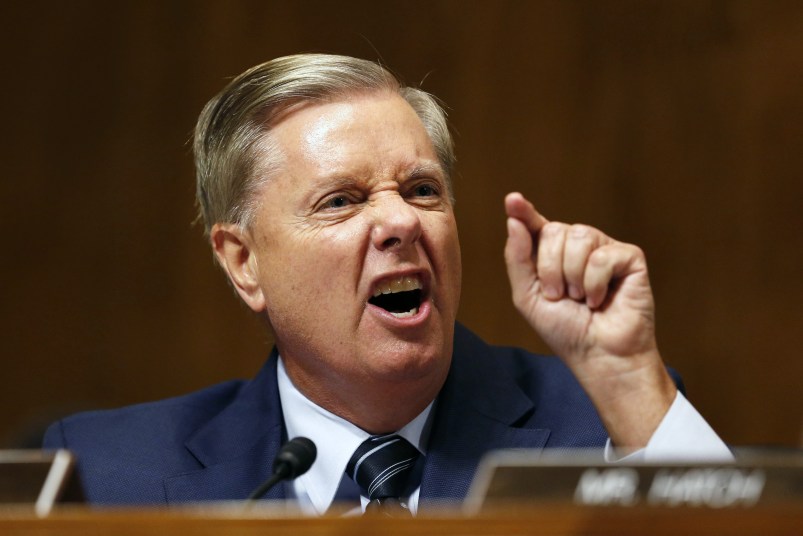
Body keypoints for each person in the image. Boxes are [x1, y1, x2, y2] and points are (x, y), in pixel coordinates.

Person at [44, 53, 731, 513]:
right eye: (341, 200)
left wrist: (626, 380)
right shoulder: (108, 473)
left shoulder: (607, 427)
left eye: (422, 189)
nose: (401, 220)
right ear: (241, 262)